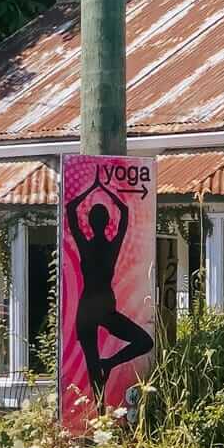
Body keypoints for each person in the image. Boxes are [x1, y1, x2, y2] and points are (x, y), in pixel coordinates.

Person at [66, 170, 153, 397]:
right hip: (103, 306)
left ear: (91, 222)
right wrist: (105, 189)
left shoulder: (86, 245)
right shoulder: (111, 247)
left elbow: (70, 210)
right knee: (144, 342)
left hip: (89, 308)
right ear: (106, 222)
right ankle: (109, 365)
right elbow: (124, 213)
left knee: (93, 364)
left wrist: (92, 187)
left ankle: (102, 404)